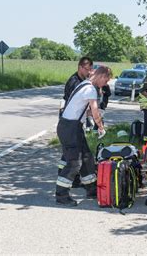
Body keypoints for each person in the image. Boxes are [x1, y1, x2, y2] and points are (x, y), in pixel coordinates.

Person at [55, 66, 112, 206]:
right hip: (70, 128)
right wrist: (100, 126)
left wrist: (93, 115)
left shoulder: (84, 84)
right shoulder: (90, 89)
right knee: (74, 163)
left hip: (72, 126)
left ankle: (91, 189)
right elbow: (94, 109)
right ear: (102, 76)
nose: (105, 84)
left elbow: (80, 109)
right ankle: (61, 195)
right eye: (106, 80)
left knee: (87, 157)